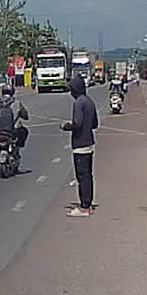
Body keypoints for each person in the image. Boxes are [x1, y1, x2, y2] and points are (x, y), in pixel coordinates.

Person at [61, 74, 99, 217]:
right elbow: (95, 124)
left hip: (80, 144)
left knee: (82, 176)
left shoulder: (78, 103)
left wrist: (66, 126)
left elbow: (77, 124)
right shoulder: (89, 101)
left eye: (71, 89)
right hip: (89, 142)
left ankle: (84, 207)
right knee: (88, 175)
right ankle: (88, 204)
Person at [0, 84, 29, 151]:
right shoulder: (16, 102)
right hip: (13, 130)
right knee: (24, 131)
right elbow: (25, 115)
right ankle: (17, 148)